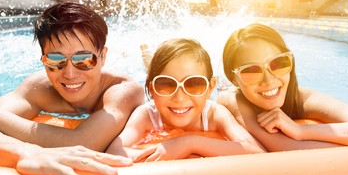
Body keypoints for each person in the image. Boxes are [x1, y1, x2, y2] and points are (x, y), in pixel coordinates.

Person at [0, 2, 144, 175]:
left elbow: (85, 143)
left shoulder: (124, 90)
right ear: (43, 59)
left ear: (102, 56)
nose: (69, 73)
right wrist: (25, 152)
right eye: (55, 60)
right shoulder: (39, 88)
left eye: (83, 59)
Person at [218, 23, 348, 152]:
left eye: (278, 63)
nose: (269, 79)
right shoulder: (230, 99)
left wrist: (302, 131)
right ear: (234, 80)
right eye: (251, 71)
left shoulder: (302, 98)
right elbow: (286, 148)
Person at [106, 38, 265, 161]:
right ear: (152, 90)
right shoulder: (147, 115)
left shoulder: (214, 114)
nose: (179, 97)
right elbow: (115, 152)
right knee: (155, 70)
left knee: (163, 72)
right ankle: (147, 57)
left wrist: (189, 143)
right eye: (166, 84)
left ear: (210, 89)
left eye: (194, 84)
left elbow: (255, 152)